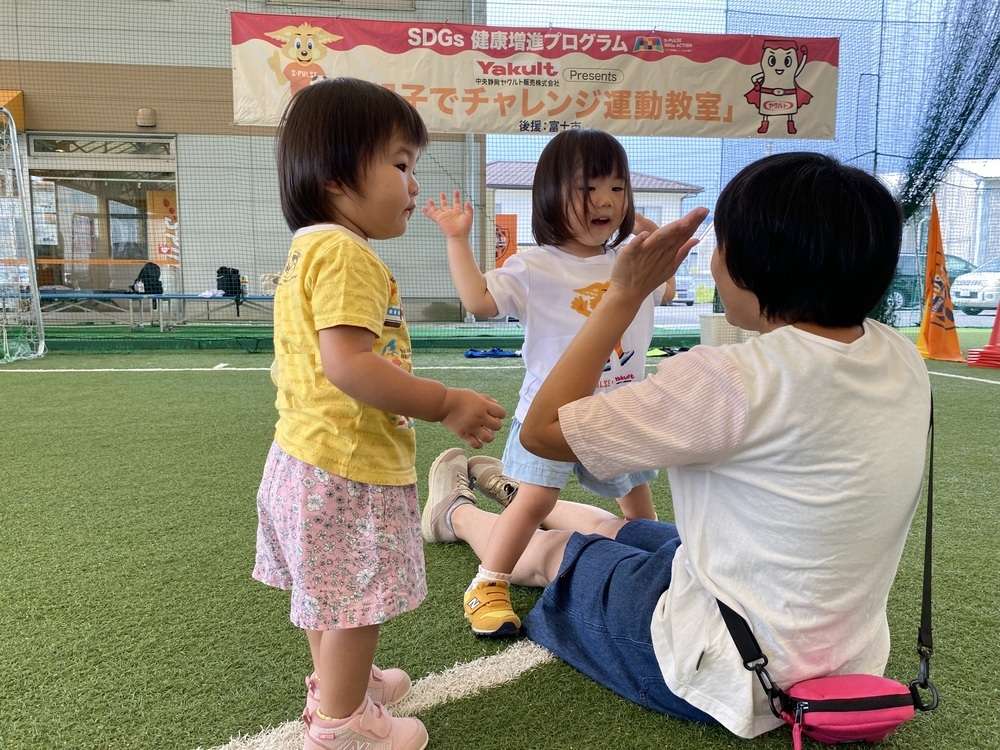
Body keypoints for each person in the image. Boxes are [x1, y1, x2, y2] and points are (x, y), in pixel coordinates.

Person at [421, 152, 931, 739]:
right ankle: (510, 490)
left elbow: (541, 432)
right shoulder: (901, 356)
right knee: (629, 530)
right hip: (845, 660)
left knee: (565, 548)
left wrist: (620, 296)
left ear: (750, 263)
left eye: (720, 244)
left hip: (722, 665)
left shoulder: (728, 378)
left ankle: (455, 514)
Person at [253, 77, 505, 750]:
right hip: (346, 468)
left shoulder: (309, 247)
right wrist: (445, 403)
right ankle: (342, 726)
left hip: (303, 457)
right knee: (356, 603)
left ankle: (342, 687)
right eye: (399, 164)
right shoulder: (347, 253)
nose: (414, 185)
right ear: (337, 177)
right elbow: (350, 365)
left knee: (330, 593)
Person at [422, 129, 675, 638]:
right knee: (533, 501)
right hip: (550, 416)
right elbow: (479, 302)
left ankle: (660, 571)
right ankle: (487, 583)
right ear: (551, 196)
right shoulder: (535, 265)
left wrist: (654, 246)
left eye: (617, 188)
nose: (606, 201)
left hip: (617, 414)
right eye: (588, 189)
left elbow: (664, 293)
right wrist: (456, 239)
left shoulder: (626, 262)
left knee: (635, 497)